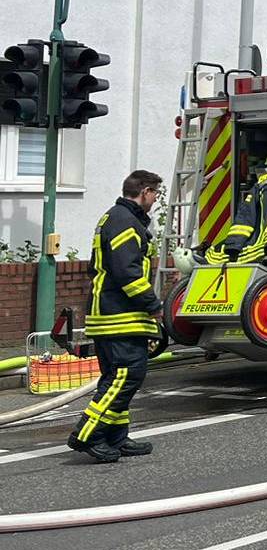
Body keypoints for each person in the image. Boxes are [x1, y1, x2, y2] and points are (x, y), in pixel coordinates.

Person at [67, 170, 164, 463]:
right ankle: (88, 434)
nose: (156, 200)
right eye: (156, 194)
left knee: (116, 377)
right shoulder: (125, 222)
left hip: (111, 314)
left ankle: (116, 436)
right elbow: (127, 272)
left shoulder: (115, 217)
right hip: (118, 316)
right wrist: (152, 304)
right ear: (145, 192)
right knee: (126, 376)